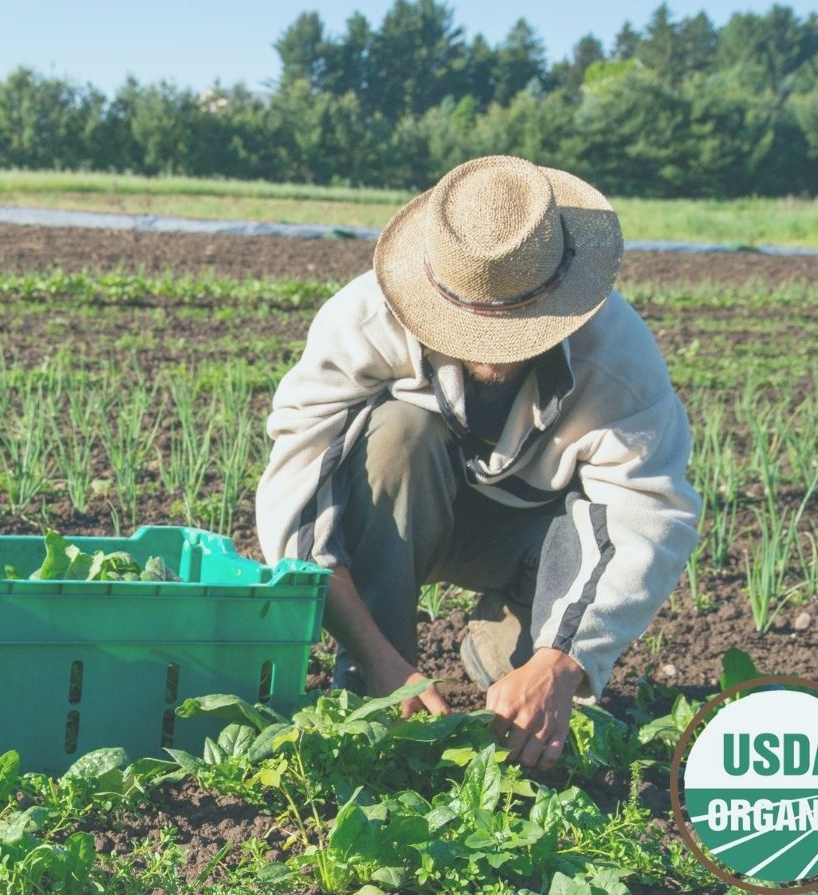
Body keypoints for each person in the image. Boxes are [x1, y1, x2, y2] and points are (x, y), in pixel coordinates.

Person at [255, 155, 701, 772]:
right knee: (396, 434)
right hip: (409, 514)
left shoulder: (617, 360)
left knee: (534, 713)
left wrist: (561, 664)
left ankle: (508, 642)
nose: (492, 349)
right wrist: (384, 664)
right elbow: (298, 498)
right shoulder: (364, 320)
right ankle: (372, 686)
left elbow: (647, 515)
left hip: (529, 540)